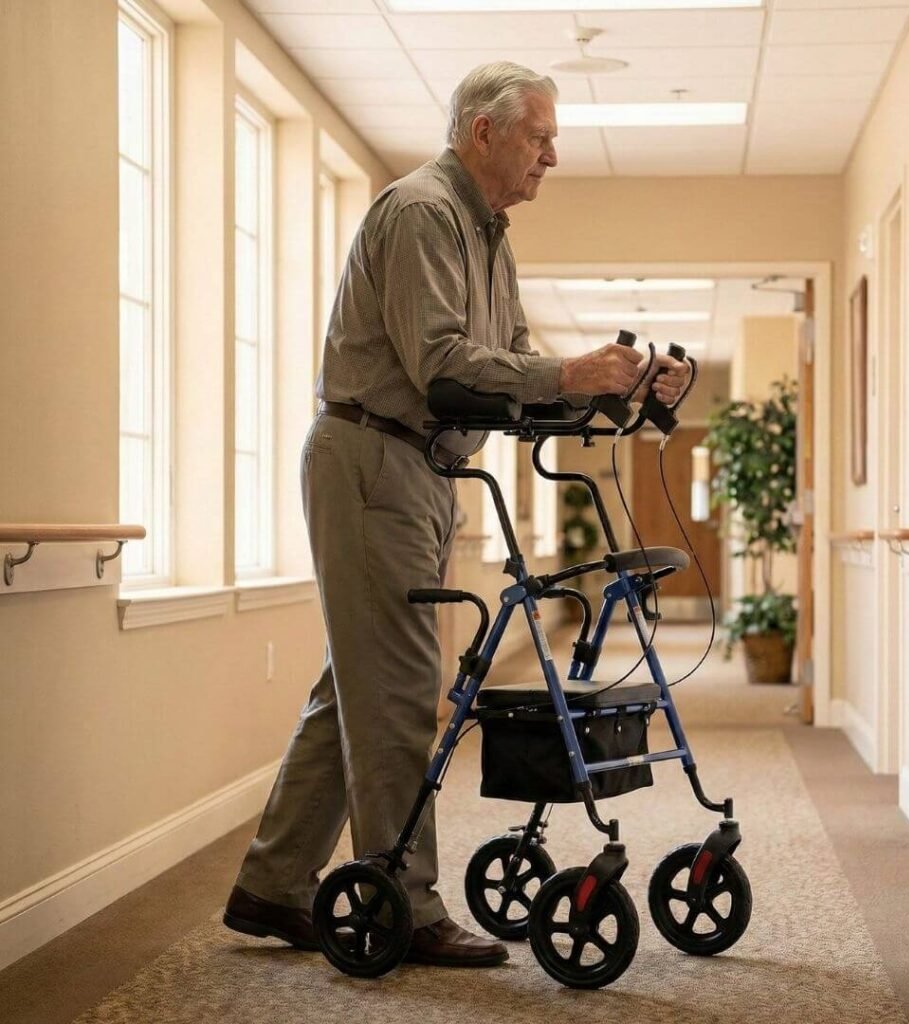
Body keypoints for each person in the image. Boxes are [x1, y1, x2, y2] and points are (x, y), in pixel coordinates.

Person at [223, 61, 691, 968]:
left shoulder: (490, 236)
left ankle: (271, 884)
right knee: (401, 689)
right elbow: (441, 364)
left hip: (423, 467)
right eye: (539, 138)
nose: (551, 156)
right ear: (484, 131)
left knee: (359, 684)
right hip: (374, 457)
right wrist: (568, 373)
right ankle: (405, 900)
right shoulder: (421, 212)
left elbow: (511, 368)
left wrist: (620, 387)